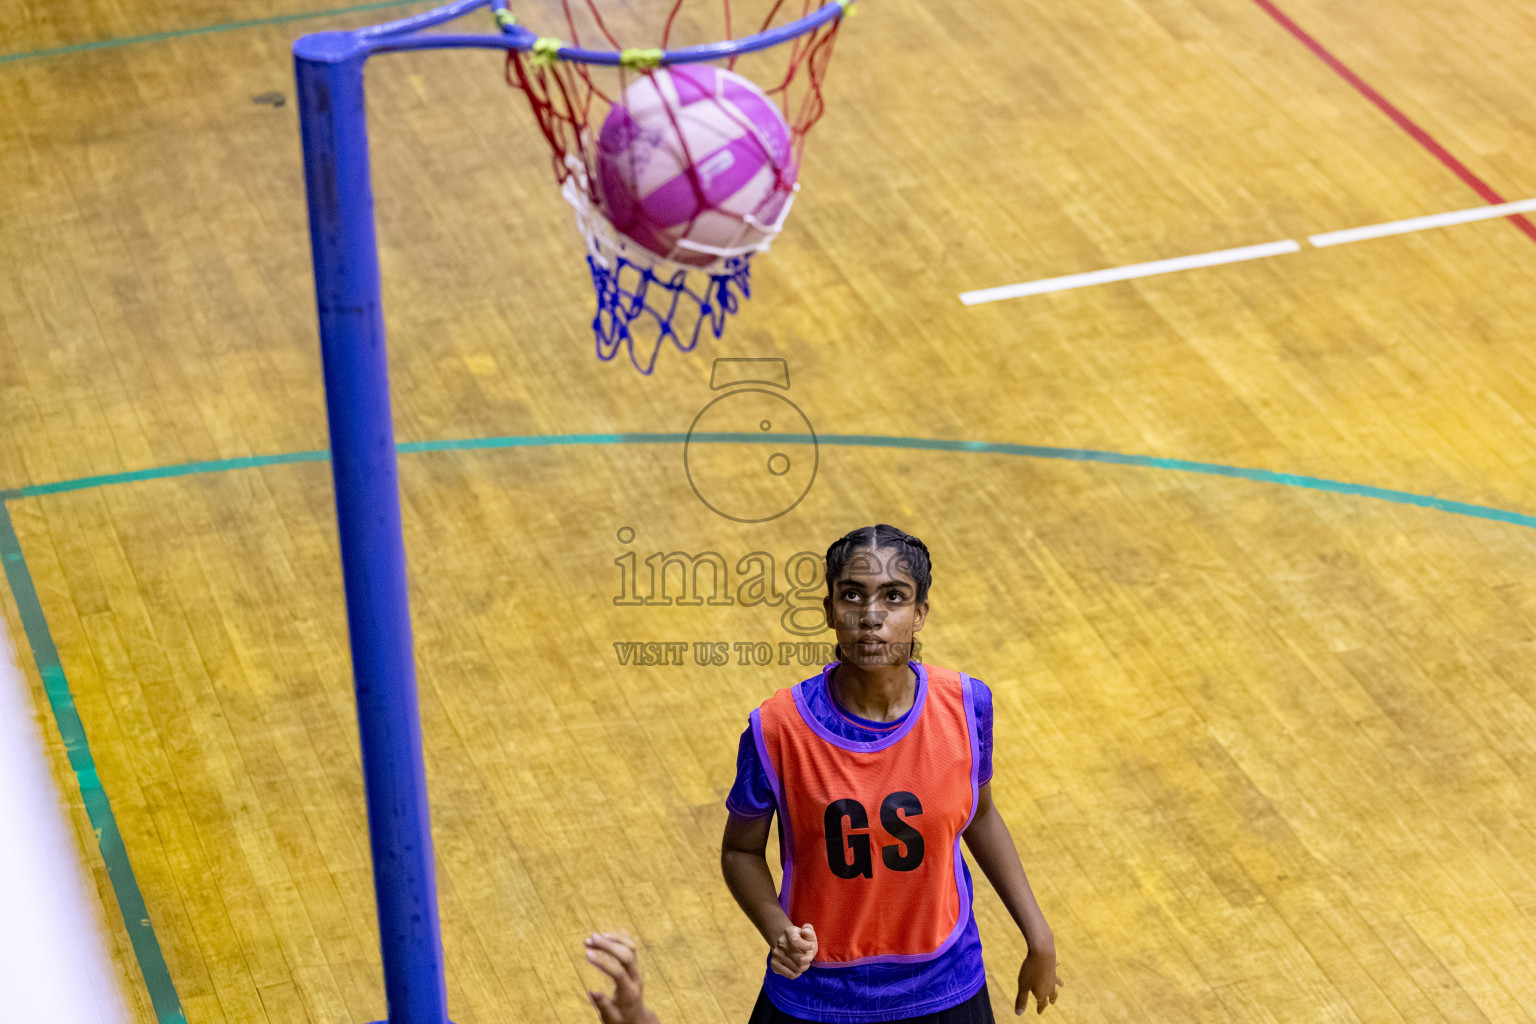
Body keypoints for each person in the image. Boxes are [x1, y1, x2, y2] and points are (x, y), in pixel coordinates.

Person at [720, 525, 1062, 1022]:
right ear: (829, 611)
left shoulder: (966, 707)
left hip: (946, 986)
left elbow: (980, 815)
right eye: (852, 595)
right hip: (819, 996)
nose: (871, 616)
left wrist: (1039, 935)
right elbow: (739, 849)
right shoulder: (777, 729)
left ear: (920, 613)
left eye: (893, 597)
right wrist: (777, 930)